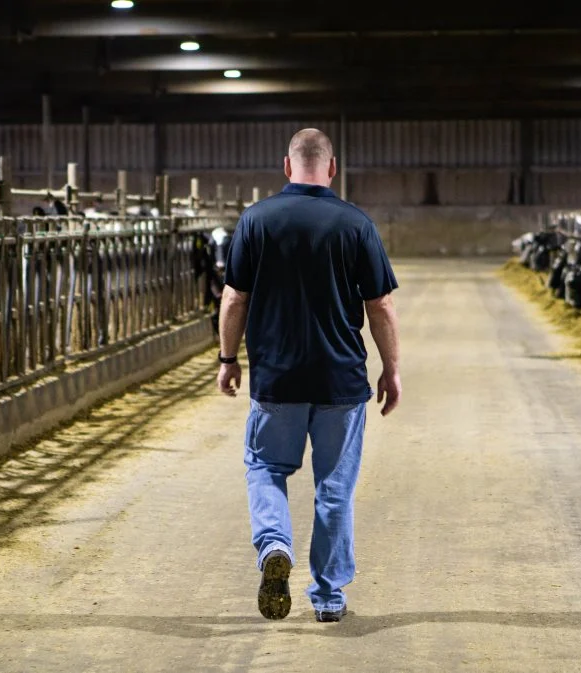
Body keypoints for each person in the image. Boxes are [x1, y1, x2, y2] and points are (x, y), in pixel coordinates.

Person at [216, 128, 402, 623]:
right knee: (334, 487)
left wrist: (227, 359)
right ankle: (327, 596)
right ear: (332, 168)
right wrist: (392, 370)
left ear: (286, 166)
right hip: (341, 380)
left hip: (277, 379)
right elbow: (380, 305)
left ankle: (275, 545)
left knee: (265, 467)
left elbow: (234, 297)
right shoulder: (355, 223)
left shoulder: (256, 220)